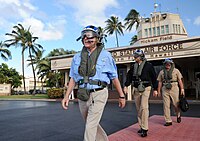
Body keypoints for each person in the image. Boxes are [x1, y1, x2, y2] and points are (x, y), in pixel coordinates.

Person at [61, 25, 126, 141]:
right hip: (83, 94)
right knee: (90, 123)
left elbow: (114, 77)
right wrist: (66, 96)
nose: (86, 38)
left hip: (99, 93)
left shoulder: (106, 56)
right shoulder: (77, 57)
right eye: (83, 36)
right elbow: (73, 78)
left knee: (90, 125)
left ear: (97, 38)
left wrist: (121, 95)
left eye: (89, 35)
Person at [123, 49, 158, 137]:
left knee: (144, 107)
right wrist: (126, 86)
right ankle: (141, 126)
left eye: (136, 56)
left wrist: (155, 89)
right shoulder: (133, 66)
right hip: (136, 88)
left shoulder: (149, 66)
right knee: (138, 109)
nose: (134, 57)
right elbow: (129, 76)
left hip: (146, 88)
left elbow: (154, 77)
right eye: (134, 55)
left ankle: (145, 129)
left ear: (141, 56)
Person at [157, 58, 184, 126]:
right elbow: (160, 81)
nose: (168, 64)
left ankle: (178, 115)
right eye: (166, 63)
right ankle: (168, 120)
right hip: (165, 88)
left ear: (171, 64)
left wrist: (182, 89)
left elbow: (180, 80)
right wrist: (158, 90)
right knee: (166, 105)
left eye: (169, 63)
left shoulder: (176, 71)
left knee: (176, 104)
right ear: (164, 64)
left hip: (174, 87)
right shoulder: (162, 72)